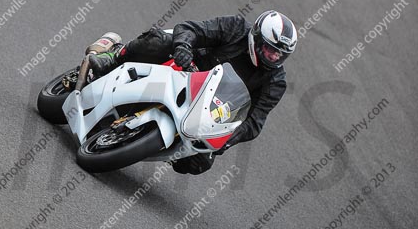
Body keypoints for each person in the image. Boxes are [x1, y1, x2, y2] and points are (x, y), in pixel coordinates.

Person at [88, 11, 297, 175]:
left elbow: (255, 123)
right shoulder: (237, 28)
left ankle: (144, 144)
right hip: (184, 68)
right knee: (159, 41)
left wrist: (227, 139)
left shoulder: (276, 82)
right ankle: (113, 57)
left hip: (208, 111)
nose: (273, 57)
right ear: (257, 38)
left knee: (199, 162)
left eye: (280, 55)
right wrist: (183, 47)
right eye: (270, 50)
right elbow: (192, 29)